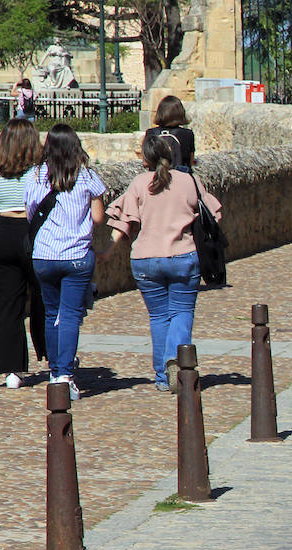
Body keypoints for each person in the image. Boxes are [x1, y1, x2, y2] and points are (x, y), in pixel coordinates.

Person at [101, 134, 222, 393]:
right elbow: (214, 215)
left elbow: (122, 221)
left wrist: (107, 251)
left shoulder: (138, 183)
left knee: (158, 316)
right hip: (182, 256)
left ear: (145, 159)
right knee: (181, 311)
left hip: (145, 260)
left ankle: (161, 377)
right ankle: (175, 358)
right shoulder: (189, 180)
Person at [26, 124, 106, 401]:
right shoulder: (87, 177)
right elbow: (98, 218)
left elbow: (31, 214)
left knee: (51, 314)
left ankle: (54, 371)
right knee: (70, 315)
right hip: (76, 256)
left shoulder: (36, 176)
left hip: (45, 255)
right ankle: (65, 375)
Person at [0, 119, 45, 388]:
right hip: (33, 232)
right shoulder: (40, 171)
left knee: (7, 304)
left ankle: (11, 370)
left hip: (4, 234)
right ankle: (51, 355)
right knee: (44, 296)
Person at [145, 95, 196, 173]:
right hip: (181, 178)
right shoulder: (188, 134)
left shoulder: (151, 133)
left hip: (156, 178)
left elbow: (146, 162)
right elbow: (191, 161)